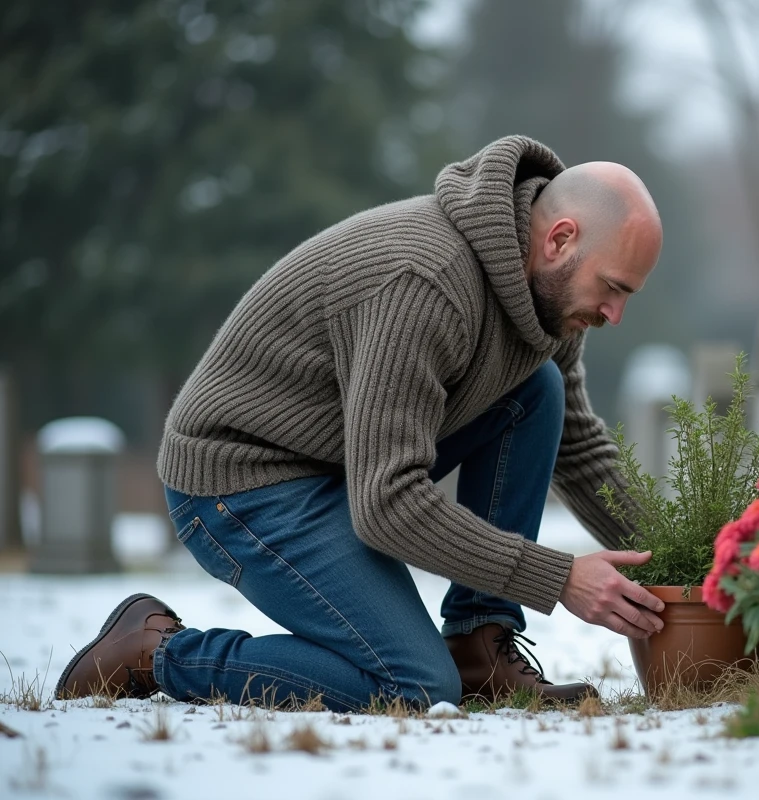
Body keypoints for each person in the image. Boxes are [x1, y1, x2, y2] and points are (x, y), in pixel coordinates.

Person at [55, 135, 668, 711]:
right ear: (559, 239)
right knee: (413, 684)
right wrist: (560, 577)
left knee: (538, 390)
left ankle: (480, 646)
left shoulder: (549, 303)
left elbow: (578, 449)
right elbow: (388, 504)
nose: (615, 314)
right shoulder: (423, 281)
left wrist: (688, 556)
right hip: (241, 482)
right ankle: (155, 652)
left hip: (339, 464)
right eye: (612, 287)